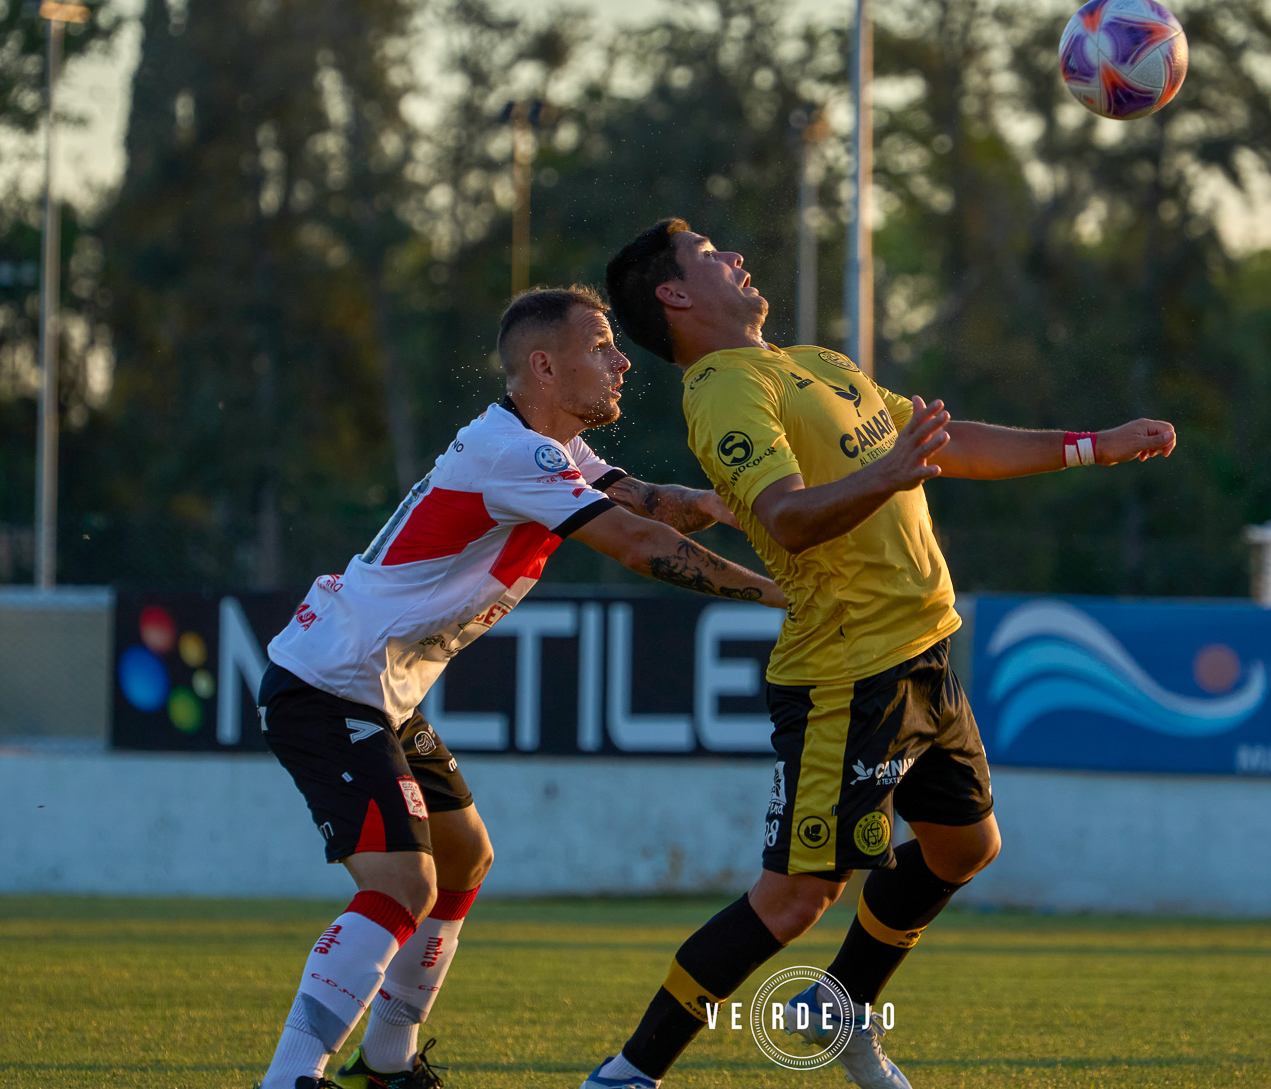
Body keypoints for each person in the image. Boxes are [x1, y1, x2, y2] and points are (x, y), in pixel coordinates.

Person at [583, 217, 1176, 1089]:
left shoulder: (816, 363)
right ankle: (630, 1073)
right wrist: (883, 475)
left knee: (965, 848)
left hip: (925, 654)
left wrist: (1089, 447)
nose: (737, 256)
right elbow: (783, 516)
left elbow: (948, 445)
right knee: (793, 898)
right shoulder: (721, 391)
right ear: (674, 295)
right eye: (711, 256)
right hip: (846, 675)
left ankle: (838, 1005)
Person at [254, 286, 784, 1089]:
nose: (620, 362)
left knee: (465, 858)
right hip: (329, 685)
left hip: (381, 693)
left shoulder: (550, 449)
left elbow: (646, 503)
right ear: (543, 366)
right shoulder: (516, 455)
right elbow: (639, 545)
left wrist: (724, 502)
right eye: (601, 347)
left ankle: (388, 1063)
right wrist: (781, 594)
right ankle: (290, 1076)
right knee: (406, 883)